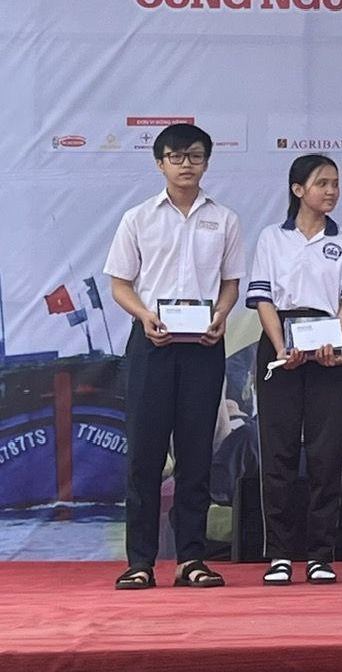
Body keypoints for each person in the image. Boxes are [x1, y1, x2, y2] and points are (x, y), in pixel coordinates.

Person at [105, 123, 244, 590]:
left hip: (204, 346)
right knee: (144, 457)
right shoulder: (138, 218)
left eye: (196, 156)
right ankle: (140, 561)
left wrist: (222, 314)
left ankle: (191, 560)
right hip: (152, 344)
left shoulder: (223, 219)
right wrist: (145, 316)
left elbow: (230, 282)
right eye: (177, 156)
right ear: (159, 162)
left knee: (196, 455)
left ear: (207, 161)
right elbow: (120, 283)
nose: (187, 164)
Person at [245, 155, 342, 585]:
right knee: (278, 452)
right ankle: (279, 554)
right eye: (322, 183)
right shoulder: (271, 238)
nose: (331, 191)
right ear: (298, 189)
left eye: (336, 183)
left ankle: (321, 554)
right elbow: (263, 298)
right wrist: (282, 348)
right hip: (282, 346)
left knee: (326, 453)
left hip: (331, 350)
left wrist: (338, 343)